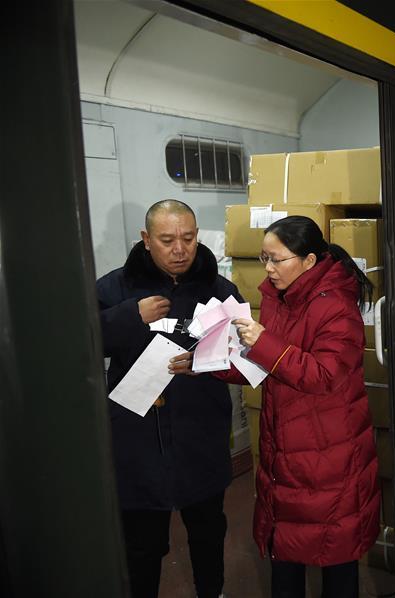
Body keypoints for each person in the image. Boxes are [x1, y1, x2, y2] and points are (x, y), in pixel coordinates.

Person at [214, 215, 380, 598]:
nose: (268, 269)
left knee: (336, 552)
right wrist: (211, 365)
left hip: (330, 456)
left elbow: (324, 375)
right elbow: (267, 366)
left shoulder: (337, 307)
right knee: (284, 547)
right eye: (264, 258)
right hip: (285, 449)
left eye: (277, 259)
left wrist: (263, 342)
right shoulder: (279, 298)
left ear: (309, 261)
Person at [96, 199, 241, 598]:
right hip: (138, 439)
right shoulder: (115, 287)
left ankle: (212, 592)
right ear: (146, 239)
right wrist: (129, 316)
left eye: (188, 238)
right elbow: (78, 339)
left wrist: (208, 360)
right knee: (141, 545)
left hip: (200, 432)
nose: (180, 249)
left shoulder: (219, 289)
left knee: (208, 532)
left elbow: (242, 352)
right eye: (166, 240)